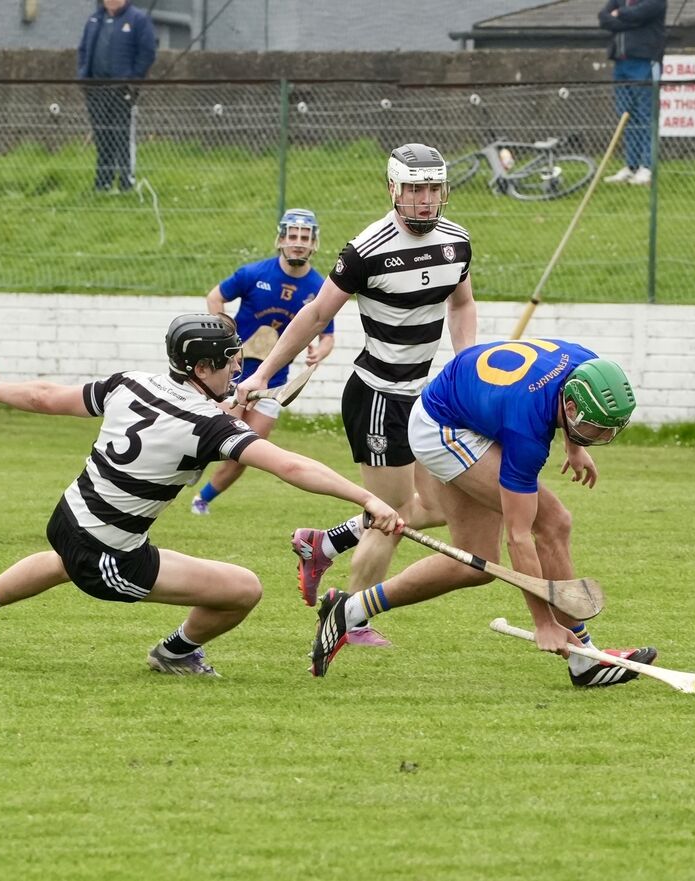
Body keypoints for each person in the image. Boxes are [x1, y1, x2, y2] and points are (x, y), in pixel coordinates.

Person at [0, 314, 401, 678]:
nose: (240, 365)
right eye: (231, 359)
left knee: (60, 560)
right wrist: (369, 500)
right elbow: (291, 466)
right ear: (200, 367)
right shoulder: (208, 425)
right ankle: (174, 654)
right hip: (109, 558)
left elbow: (45, 397)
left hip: (68, 519)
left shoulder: (130, 383)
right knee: (244, 590)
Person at [300, 339, 657, 687]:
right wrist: (543, 622)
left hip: (468, 408)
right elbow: (519, 537)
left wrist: (574, 445)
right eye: (596, 428)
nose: (602, 436)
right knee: (551, 522)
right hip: (444, 429)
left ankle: (348, 611)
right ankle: (585, 658)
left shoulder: (587, 366)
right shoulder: (527, 430)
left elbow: (558, 400)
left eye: (610, 430)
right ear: (573, 407)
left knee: (475, 563)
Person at [235, 144, 477, 627]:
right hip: (377, 399)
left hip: (425, 399)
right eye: (414, 189)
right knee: (392, 516)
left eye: (433, 188)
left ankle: (323, 543)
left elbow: (461, 304)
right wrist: (262, 375)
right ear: (394, 189)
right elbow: (317, 313)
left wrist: (466, 362)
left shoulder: (456, 241)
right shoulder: (367, 250)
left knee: (432, 507)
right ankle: (349, 618)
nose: (425, 200)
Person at [191, 209, 334, 517]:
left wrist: (319, 354)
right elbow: (215, 297)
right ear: (281, 240)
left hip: (273, 383)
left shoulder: (320, 287)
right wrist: (226, 337)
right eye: (292, 236)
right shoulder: (254, 274)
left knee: (246, 451)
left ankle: (202, 500)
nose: (298, 243)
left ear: (314, 244)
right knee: (216, 435)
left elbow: (327, 337)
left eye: (305, 238)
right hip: (233, 375)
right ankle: (183, 471)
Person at [77, 0, 156, 193]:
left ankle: (126, 182)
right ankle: (103, 182)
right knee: (102, 137)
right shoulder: (95, 19)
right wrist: (83, 75)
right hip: (96, 89)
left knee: (121, 136)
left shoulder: (138, 20)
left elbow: (147, 52)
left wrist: (133, 79)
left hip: (121, 90)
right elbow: (84, 50)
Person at [597, 0, 668, 186]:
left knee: (647, 115)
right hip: (621, 62)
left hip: (644, 61)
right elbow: (603, 18)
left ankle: (647, 166)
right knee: (626, 115)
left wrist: (619, 15)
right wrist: (626, 17)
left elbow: (640, 14)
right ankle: (631, 165)